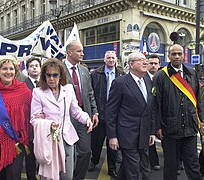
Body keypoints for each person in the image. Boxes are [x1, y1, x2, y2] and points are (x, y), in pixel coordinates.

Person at [30, 58, 93, 180]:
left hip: (67, 139)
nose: (51, 78)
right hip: (49, 141)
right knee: (50, 177)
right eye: (48, 75)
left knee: (67, 176)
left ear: (61, 76)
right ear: (44, 76)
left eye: (55, 75)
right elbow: (34, 119)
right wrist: (49, 124)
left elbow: (76, 111)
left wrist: (87, 119)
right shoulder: (38, 92)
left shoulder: (68, 89)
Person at [152, 44, 203, 180]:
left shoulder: (192, 73)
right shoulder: (160, 76)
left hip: (190, 129)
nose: (176, 56)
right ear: (168, 56)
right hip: (170, 129)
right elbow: (156, 104)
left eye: (179, 54)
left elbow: (198, 100)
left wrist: (201, 121)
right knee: (171, 166)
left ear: (183, 55)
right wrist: (157, 127)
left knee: (193, 165)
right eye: (173, 54)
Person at [106, 52, 155, 179]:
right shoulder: (120, 83)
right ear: (131, 64)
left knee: (126, 168)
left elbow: (151, 109)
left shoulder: (148, 81)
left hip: (143, 134)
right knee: (134, 170)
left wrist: (151, 132)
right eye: (141, 60)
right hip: (127, 135)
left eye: (145, 60)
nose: (145, 62)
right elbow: (111, 111)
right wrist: (112, 136)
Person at [0, 55, 32, 180]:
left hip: (16, 141)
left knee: (13, 176)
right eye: (4, 69)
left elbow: (33, 112)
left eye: (11, 69)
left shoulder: (24, 90)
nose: (8, 72)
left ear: (16, 71)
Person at [63, 40, 99, 180]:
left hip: (84, 116)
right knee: (68, 154)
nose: (82, 53)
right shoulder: (59, 70)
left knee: (85, 152)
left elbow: (90, 93)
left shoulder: (84, 70)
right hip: (67, 118)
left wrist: (94, 112)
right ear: (69, 53)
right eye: (79, 51)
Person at [89, 50, 125, 178]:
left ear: (116, 60)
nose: (111, 60)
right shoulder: (95, 74)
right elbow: (91, 94)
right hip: (99, 114)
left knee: (113, 144)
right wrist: (94, 112)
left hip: (115, 116)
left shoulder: (121, 74)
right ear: (104, 60)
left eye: (113, 58)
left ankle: (112, 168)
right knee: (96, 142)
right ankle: (94, 161)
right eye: (108, 58)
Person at [23, 57, 42, 180]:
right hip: (28, 127)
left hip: (43, 127)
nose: (34, 68)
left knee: (43, 156)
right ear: (27, 69)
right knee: (30, 157)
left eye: (36, 65)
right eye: (31, 66)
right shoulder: (23, 85)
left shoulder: (46, 83)